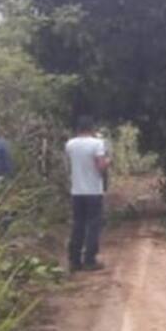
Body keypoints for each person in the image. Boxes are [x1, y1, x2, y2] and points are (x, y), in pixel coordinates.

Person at [65, 115, 110, 272]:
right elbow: (100, 166)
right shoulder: (97, 144)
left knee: (78, 224)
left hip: (76, 191)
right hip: (93, 191)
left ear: (78, 128)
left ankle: (74, 260)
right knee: (93, 225)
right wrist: (108, 162)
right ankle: (90, 260)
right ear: (92, 128)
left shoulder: (70, 144)